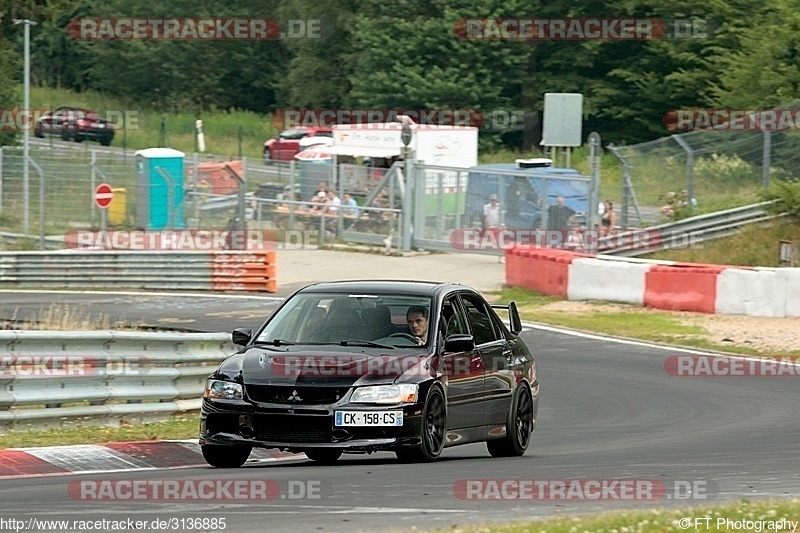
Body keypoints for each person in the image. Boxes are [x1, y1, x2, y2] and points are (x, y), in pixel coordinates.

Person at [482, 193, 504, 262]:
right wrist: (487, 227)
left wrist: (503, 225)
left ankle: (500, 257)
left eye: (494, 200)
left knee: (500, 242)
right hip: (491, 226)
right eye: (491, 200)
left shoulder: (499, 207)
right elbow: (486, 217)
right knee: (495, 242)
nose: (493, 201)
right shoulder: (486, 207)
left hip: (498, 226)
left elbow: (502, 216)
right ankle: (499, 255)